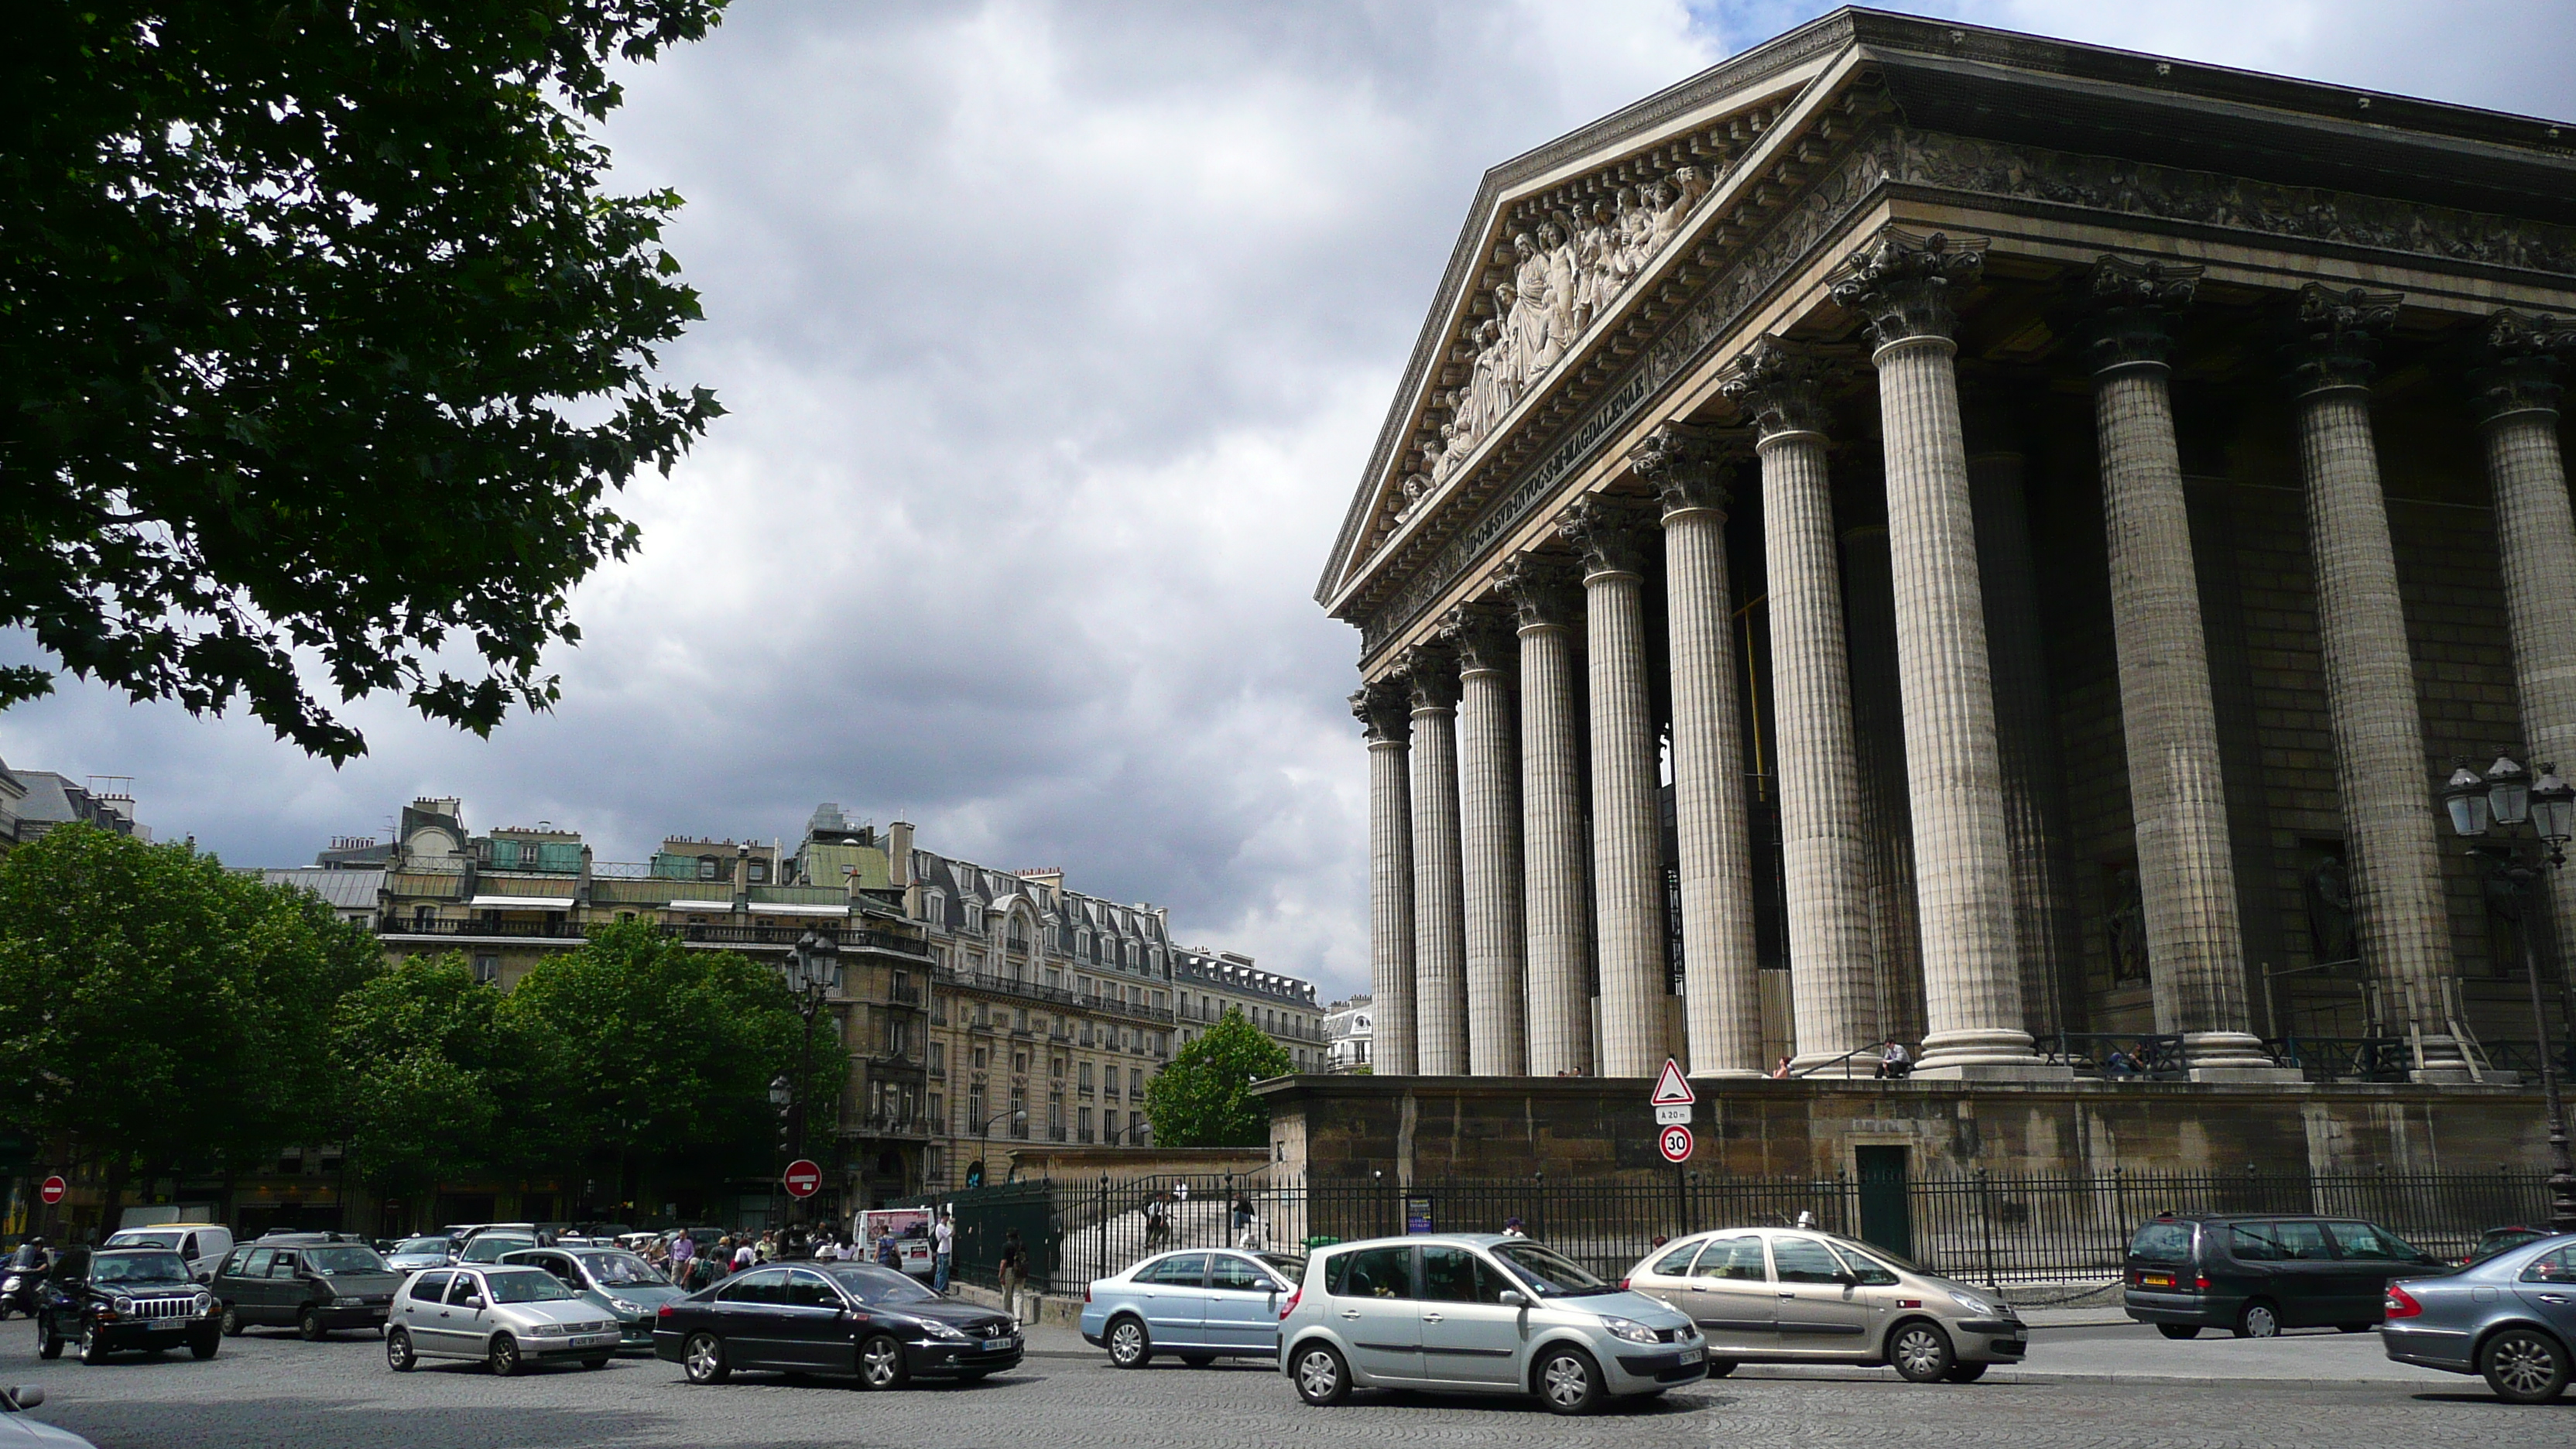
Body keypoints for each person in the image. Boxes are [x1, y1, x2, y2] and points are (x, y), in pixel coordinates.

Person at [998, 1228, 1028, 1326]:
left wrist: (1001, 1275)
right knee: (1018, 1294)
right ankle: (1019, 1317)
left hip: (1009, 1271)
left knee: (1007, 1294)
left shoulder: (1006, 1246)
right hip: (1020, 1271)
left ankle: (1008, 1316)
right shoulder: (1022, 1245)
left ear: (1008, 1236)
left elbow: (1004, 1262)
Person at [932, 1211, 955, 1293]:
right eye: (947, 1217)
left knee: (940, 1271)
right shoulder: (941, 1227)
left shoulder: (942, 1226)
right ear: (944, 1217)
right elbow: (952, 1234)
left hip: (943, 1251)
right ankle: (940, 1289)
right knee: (943, 1271)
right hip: (943, 1251)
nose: (948, 1219)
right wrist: (953, 1225)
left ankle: (937, 1287)